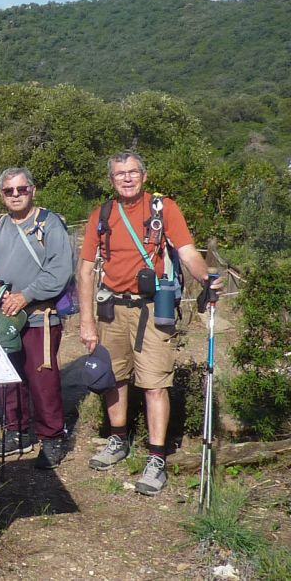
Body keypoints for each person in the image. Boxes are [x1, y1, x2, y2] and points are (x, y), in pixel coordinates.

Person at [77, 151, 223, 495]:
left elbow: (187, 251)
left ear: (144, 175)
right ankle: (118, 439)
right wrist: (86, 321)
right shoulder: (102, 215)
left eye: (132, 172)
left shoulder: (164, 209)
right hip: (111, 308)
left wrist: (206, 279)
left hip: (154, 309)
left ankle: (156, 458)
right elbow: (85, 270)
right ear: (111, 180)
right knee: (114, 378)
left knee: (155, 383)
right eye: (119, 174)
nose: (126, 179)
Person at [0, 168, 73, 469]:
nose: (15, 195)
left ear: (33, 190)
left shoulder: (49, 224)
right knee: (8, 378)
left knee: (43, 379)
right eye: (8, 190)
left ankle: (53, 437)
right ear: (1, 194)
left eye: (21, 189)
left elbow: (59, 271)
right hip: (4, 316)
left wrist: (26, 296)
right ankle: (17, 431)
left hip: (39, 317)